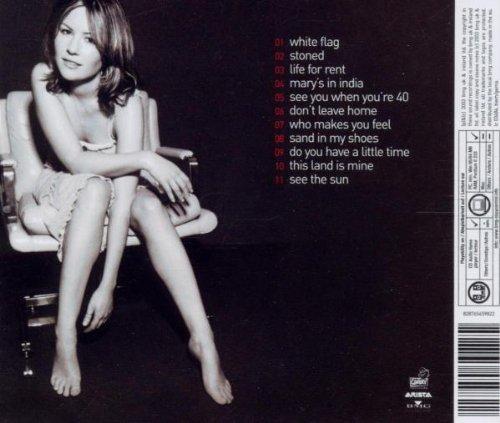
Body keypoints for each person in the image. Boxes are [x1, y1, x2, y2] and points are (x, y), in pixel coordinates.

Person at [21, 0, 233, 404]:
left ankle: (204, 340)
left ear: (110, 47)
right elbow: (75, 162)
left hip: (114, 187)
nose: (71, 48)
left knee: (146, 205)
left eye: (89, 39)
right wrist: (146, 158)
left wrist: (107, 285)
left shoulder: (126, 99)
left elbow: (123, 197)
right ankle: (64, 337)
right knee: (95, 188)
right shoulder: (43, 77)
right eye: (66, 32)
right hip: (62, 181)